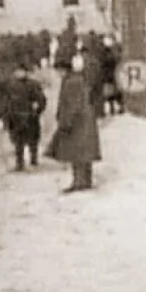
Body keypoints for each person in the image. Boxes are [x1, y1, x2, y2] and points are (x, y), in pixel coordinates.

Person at [46, 54, 102, 193]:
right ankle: (86, 180)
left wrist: (65, 122)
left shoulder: (71, 82)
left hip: (77, 123)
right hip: (85, 120)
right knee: (84, 153)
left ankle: (79, 182)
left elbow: (72, 105)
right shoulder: (79, 79)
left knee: (76, 153)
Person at [3, 64, 47, 171]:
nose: (19, 73)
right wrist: (6, 115)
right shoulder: (10, 85)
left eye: (21, 71)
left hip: (30, 116)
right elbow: (5, 101)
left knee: (33, 140)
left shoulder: (33, 84)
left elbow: (41, 99)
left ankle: (34, 160)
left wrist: (37, 112)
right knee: (18, 141)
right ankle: (19, 163)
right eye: (17, 71)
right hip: (15, 116)